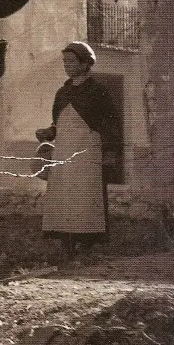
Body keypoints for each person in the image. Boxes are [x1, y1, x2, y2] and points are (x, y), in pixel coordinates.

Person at [36, 41, 121, 259]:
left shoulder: (98, 91)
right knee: (63, 196)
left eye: (71, 61)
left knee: (84, 195)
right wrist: (48, 132)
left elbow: (112, 123)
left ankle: (87, 242)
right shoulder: (62, 92)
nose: (67, 65)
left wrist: (110, 152)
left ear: (85, 64)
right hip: (64, 151)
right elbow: (59, 124)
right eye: (65, 61)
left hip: (87, 151)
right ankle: (66, 241)